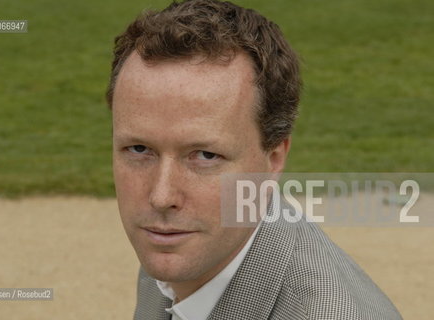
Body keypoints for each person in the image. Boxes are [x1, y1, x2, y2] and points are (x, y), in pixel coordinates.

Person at [106, 0, 402, 319]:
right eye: (139, 149)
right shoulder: (184, 244)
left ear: (273, 160)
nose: (161, 197)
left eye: (205, 156)